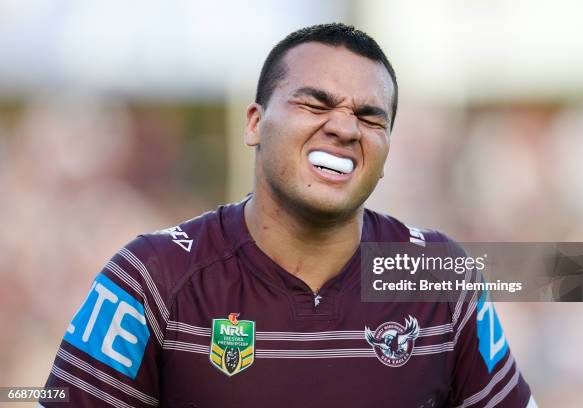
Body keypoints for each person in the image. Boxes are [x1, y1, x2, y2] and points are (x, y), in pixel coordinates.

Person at [41, 23, 536, 407]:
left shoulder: (437, 278)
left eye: (369, 117)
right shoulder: (151, 276)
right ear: (255, 123)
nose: (344, 128)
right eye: (314, 104)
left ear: (386, 150)